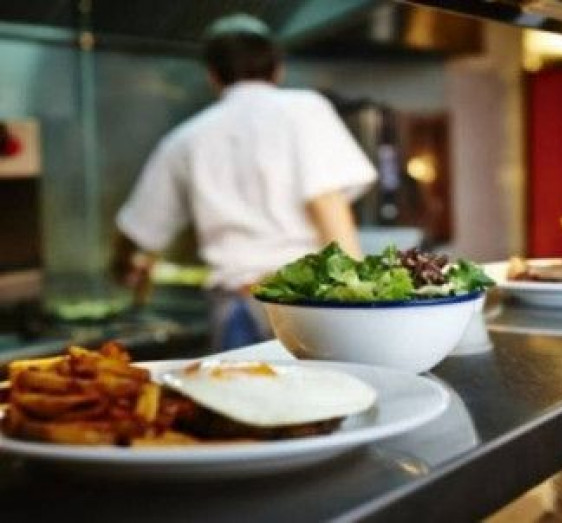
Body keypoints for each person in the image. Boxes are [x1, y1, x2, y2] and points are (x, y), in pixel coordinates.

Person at [111, 14, 377, 350]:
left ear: (212, 76)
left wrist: (121, 266)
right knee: (321, 383)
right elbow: (326, 202)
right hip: (302, 302)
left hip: (235, 305)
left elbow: (137, 229)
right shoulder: (304, 109)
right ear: (277, 69)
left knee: (238, 384)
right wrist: (359, 297)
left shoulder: (186, 139)